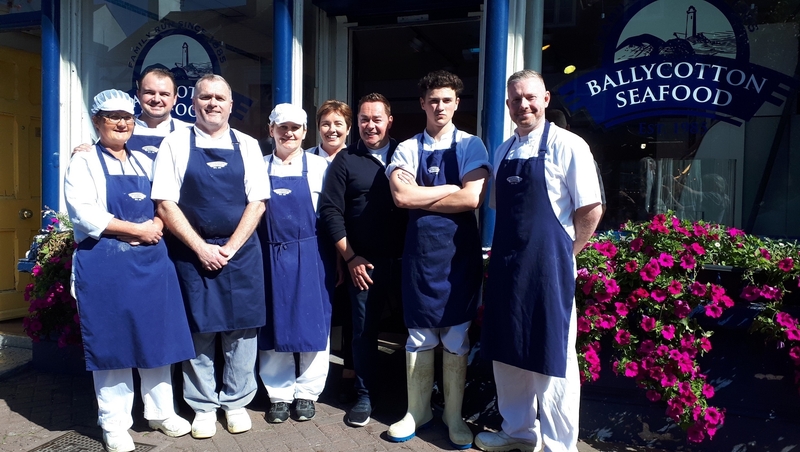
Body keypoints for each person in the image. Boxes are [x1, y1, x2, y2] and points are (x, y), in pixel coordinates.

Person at [476, 70, 603, 452]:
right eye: (515, 99)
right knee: (507, 353)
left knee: (554, 361)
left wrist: (567, 253)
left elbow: (591, 210)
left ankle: (559, 446)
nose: (523, 105)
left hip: (550, 269)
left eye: (530, 97)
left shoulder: (569, 145)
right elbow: (503, 209)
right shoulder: (502, 150)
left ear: (546, 98)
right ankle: (518, 432)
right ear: (508, 105)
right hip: (507, 268)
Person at [64, 89, 196, 452]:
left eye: (127, 116)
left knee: (157, 339)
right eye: (112, 116)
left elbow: (165, 197)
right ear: (96, 121)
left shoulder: (144, 160)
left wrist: (157, 221)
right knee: (112, 346)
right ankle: (115, 424)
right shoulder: (84, 161)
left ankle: (160, 412)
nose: (122, 123)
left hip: (151, 264)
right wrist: (139, 229)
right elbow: (84, 213)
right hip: (106, 264)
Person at [151, 74, 270, 439]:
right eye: (206, 97)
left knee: (242, 331)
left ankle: (236, 403)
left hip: (240, 251)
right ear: (194, 103)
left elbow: (258, 201)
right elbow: (165, 203)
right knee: (199, 331)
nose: (213, 103)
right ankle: (203, 406)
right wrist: (201, 248)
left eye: (220, 97)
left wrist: (231, 247)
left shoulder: (248, 145)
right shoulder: (176, 143)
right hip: (192, 252)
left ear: (231, 105)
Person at [385, 70, 489, 449]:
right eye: (433, 100)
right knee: (418, 335)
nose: (439, 106)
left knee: (457, 337)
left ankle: (453, 415)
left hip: (458, 257)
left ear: (456, 103)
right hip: (420, 257)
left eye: (447, 100)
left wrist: (425, 193)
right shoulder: (407, 148)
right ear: (423, 104)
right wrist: (450, 187)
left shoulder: (472, 145)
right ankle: (418, 411)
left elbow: (471, 199)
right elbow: (401, 199)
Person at [318, 93, 408, 427]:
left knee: (418, 330)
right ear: (357, 122)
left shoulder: (408, 152)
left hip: (407, 261)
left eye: (377, 119)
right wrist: (350, 256)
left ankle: (416, 399)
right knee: (364, 332)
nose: (370, 126)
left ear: (389, 121)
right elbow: (330, 210)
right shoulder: (345, 160)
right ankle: (365, 394)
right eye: (364, 120)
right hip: (364, 264)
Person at [257, 103, 334, 424]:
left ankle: (307, 393)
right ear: (271, 130)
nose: (289, 133)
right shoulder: (256, 166)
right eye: (282, 127)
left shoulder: (321, 167)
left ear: (305, 132)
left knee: (314, 323)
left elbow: (332, 215)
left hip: (311, 254)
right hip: (269, 255)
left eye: (296, 128)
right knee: (273, 323)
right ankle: (278, 394)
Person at [305, 100, 357, 401]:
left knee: (349, 310)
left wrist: (343, 255)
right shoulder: (306, 158)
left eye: (338, 124)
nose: (332, 129)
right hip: (312, 243)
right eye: (326, 123)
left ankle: (349, 373)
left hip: (346, 245)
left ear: (348, 129)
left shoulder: (355, 160)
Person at [73, 67, 191, 157]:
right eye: (149, 92)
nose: (156, 99)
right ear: (138, 95)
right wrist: (86, 153)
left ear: (175, 99)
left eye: (164, 94)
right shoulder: (121, 130)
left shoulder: (188, 132)